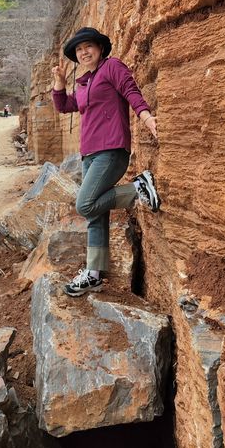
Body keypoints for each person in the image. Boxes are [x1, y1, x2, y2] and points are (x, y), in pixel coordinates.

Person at [52, 26, 160, 297]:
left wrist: (146, 117)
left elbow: (131, 90)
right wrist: (59, 82)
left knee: (85, 205)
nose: (83, 52)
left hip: (112, 150)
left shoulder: (112, 67)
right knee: (95, 215)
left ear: (100, 48)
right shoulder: (85, 84)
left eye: (88, 46)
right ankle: (93, 273)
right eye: (78, 49)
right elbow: (64, 106)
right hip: (89, 154)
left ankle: (138, 189)